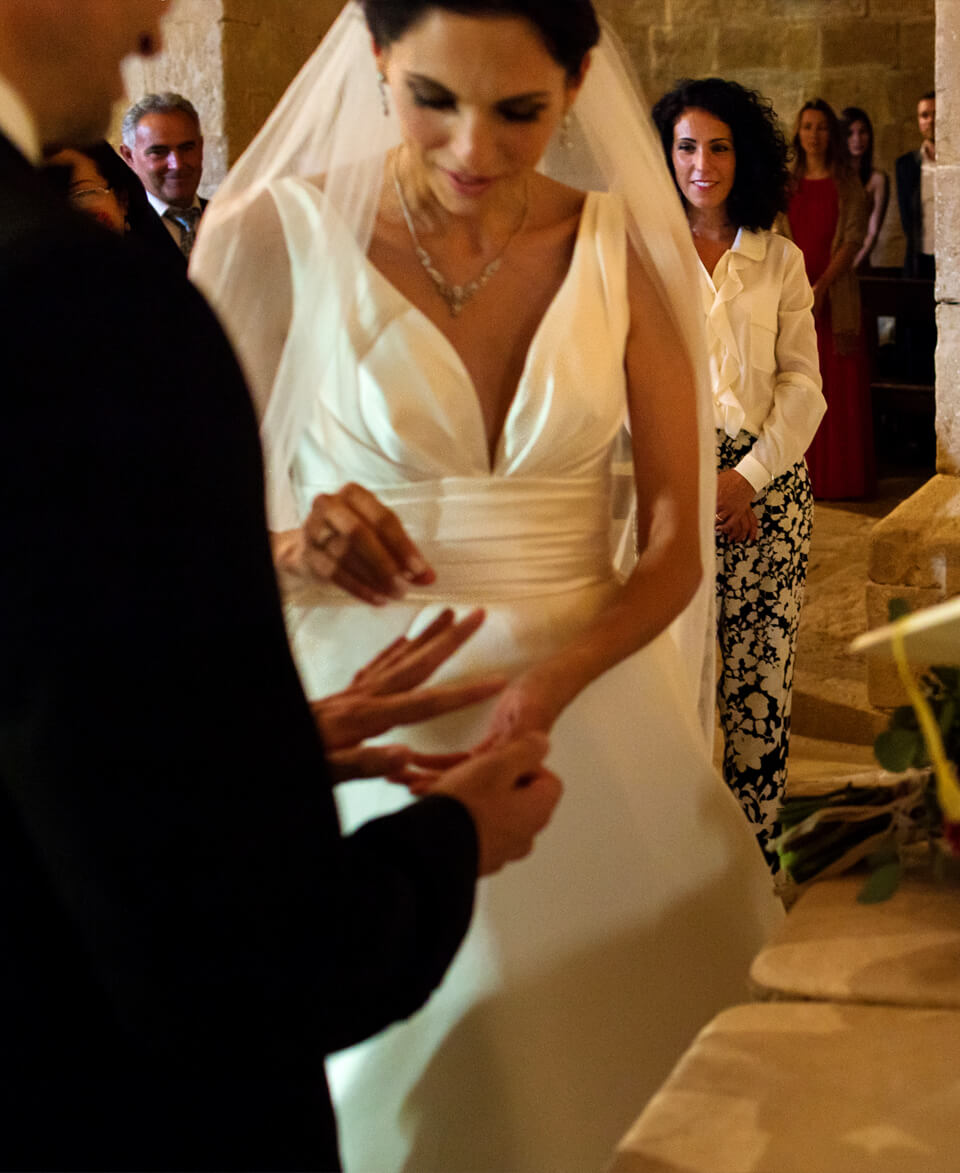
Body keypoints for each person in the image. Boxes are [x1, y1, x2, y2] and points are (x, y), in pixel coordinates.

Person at [191, 2, 784, 1168]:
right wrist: (295, 549)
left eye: (518, 111)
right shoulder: (268, 235)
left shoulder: (619, 242)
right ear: (374, 66)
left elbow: (674, 541)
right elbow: (169, 547)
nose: (472, 148)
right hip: (364, 715)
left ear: (575, 85)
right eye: (432, 102)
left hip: (585, 697)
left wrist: (554, 681)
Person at [0, 0, 563, 1168]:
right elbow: (225, 950)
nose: (153, 31)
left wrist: (275, 745)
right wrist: (447, 841)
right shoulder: (71, 301)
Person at [654, 78, 826, 857]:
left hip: (768, 491)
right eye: (687, 146)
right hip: (671, 483)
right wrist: (696, 480)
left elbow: (803, 388)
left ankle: (757, 870)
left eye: (718, 146)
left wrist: (745, 479)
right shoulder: (645, 257)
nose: (701, 163)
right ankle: (684, 875)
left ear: (743, 155)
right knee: (675, 691)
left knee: (759, 688)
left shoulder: (779, 259)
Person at [788, 97, 874, 500]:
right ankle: (801, 476)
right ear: (797, 132)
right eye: (807, 126)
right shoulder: (785, 183)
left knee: (835, 391)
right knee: (796, 381)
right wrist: (798, 288)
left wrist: (821, 286)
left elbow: (854, 237)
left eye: (821, 127)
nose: (814, 135)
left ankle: (839, 480)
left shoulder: (847, 183)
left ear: (831, 134)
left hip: (835, 298)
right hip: (791, 296)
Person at [44, 139, 189, 270]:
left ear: (122, 200)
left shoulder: (163, 287)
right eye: (52, 205)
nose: (71, 215)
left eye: (82, 193)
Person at [119, 91, 207, 259]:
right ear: (129, 157)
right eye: (158, 152)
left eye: (187, 148)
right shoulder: (119, 233)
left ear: (201, 147)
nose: (177, 165)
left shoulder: (232, 219)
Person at [841, 105, 889, 271]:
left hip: (858, 261)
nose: (857, 139)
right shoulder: (836, 177)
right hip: (828, 259)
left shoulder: (877, 179)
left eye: (862, 132)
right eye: (850, 133)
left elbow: (872, 232)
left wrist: (851, 265)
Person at [894, 89, 935, 280]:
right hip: (919, 259)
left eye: (936, 114)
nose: (931, 121)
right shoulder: (906, 165)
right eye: (925, 115)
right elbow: (906, 217)